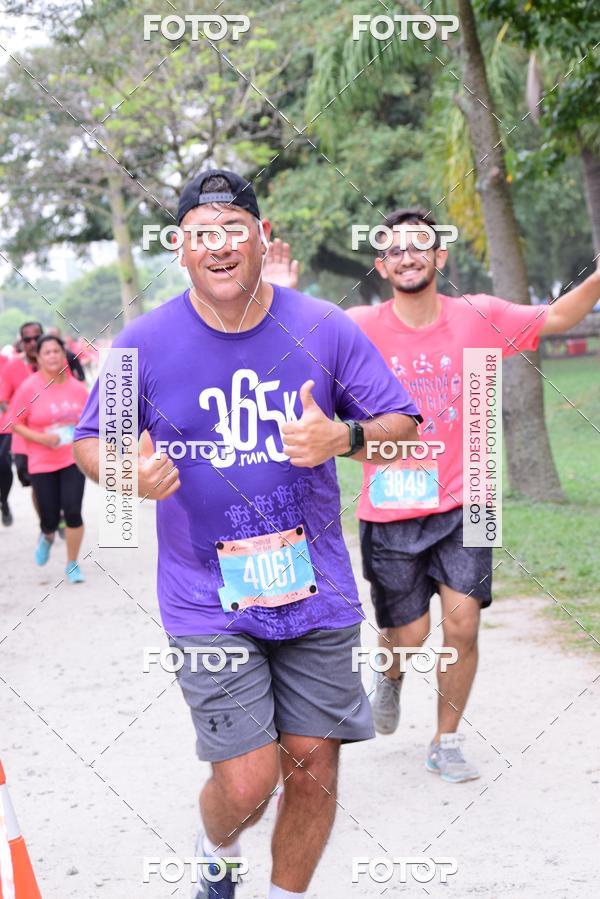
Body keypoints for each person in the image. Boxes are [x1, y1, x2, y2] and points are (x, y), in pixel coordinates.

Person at [73, 169, 421, 899]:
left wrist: (345, 436)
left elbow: (404, 428)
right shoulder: (142, 342)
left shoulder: (325, 325)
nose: (221, 246)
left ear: (264, 239)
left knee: (314, 761)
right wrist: (129, 476)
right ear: (181, 249)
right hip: (206, 596)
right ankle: (215, 849)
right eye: (204, 233)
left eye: (236, 228)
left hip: (315, 589)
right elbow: (90, 442)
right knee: (248, 777)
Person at [265, 208, 600, 783]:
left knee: (463, 624)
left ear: (439, 257)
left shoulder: (480, 316)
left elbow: (563, 314)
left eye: (420, 246)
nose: (408, 256)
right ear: (381, 265)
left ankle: (446, 739)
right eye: (394, 250)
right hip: (390, 504)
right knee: (411, 633)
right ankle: (391, 673)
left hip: (470, 499)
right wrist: (283, 295)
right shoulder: (360, 323)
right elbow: (295, 345)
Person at [11, 334, 88, 582]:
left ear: (63, 354)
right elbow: (14, 423)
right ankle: (47, 534)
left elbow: (90, 421)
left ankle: (72, 563)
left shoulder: (77, 389)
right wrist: (42, 439)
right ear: (38, 357)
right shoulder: (30, 388)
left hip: (72, 459)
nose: (53, 356)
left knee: (73, 511)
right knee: (50, 516)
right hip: (42, 460)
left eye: (56, 351)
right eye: (47, 352)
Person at [0, 321, 43, 526]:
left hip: (54, 432)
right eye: (27, 339)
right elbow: (3, 400)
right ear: (21, 341)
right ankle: (47, 522)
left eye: (36, 338)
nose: (32, 343)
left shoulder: (56, 361)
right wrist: (18, 421)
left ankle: (60, 514)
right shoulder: (12, 366)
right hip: (21, 432)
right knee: (33, 479)